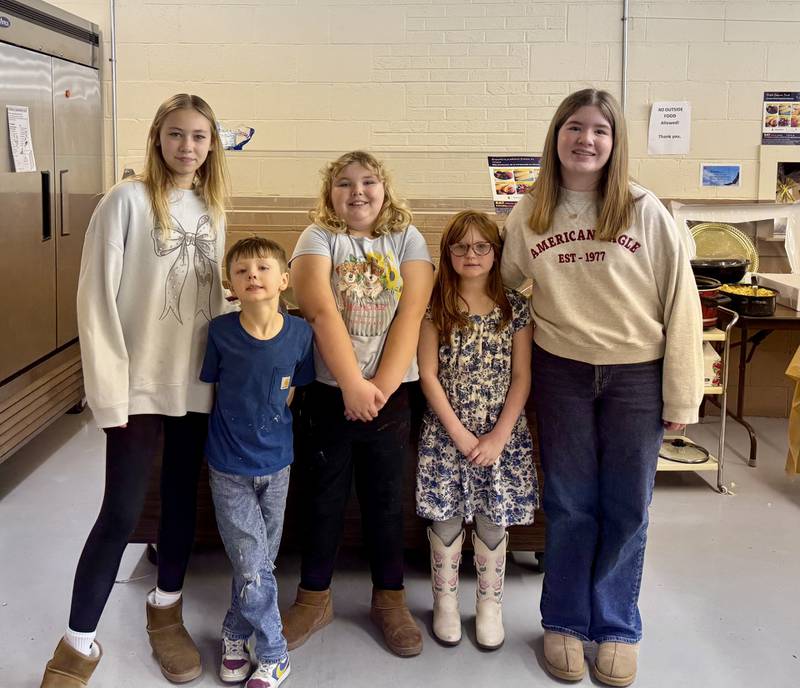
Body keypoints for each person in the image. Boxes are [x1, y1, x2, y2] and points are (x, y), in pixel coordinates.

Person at [500, 88, 702, 687]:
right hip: (561, 370)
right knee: (568, 502)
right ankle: (563, 621)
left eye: (599, 131)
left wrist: (681, 394)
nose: (586, 140)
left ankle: (615, 625)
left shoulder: (644, 210)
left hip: (637, 374)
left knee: (627, 504)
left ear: (615, 143)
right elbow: (508, 285)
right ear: (556, 135)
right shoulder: (531, 211)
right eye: (574, 127)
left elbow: (680, 304)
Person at [40, 93, 231, 687]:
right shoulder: (124, 202)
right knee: (121, 512)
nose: (187, 147)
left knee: (180, 504)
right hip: (137, 385)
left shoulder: (214, 207)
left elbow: (219, 298)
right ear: (156, 138)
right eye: (177, 134)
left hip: (195, 383)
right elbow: (95, 301)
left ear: (211, 146)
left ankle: (165, 608)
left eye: (199, 137)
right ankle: (77, 646)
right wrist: (109, 393)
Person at [282, 151, 434, 657]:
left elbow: (411, 314)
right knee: (322, 497)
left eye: (368, 182)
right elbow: (320, 311)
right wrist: (350, 383)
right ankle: (314, 597)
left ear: (384, 189)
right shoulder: (318, 238)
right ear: (330, 193)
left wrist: (380, 388)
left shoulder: (406, 237)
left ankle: (390, 598)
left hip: (390, 394)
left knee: (385, 500)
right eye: (344, 183)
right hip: (329, 392)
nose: (357, 192)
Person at [416, 210, 538, 650]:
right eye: (461, 246)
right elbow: (428, 375)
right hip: (448, 434)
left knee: (492, 518)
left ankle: (489, 606)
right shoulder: (436, 307)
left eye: (481, 246)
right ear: (447, 253)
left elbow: (522, 376)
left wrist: (498, 436)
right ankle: (445, 602)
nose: (471, 254)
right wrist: (461, 436)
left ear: (496, 252)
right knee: (445, 518)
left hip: (500, 433)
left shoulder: (515, 306)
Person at [201, 237, 314, 688]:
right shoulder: (220, 332)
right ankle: (274, 652)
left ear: (283, 279)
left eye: (263, 268)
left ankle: (234, 632)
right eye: (242, 270)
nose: (253, 275)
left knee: (259, 561)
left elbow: (293, 390)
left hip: (278, 465)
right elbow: (211, 387)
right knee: (251, 563)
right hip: (228, 467)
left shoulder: (302, 334)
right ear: (230, 284)